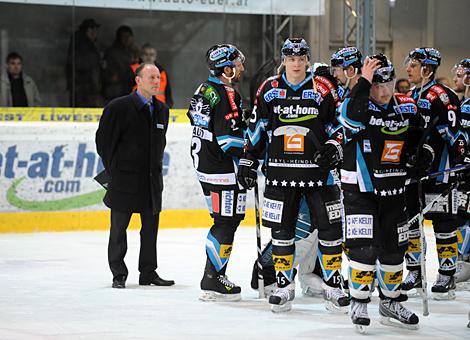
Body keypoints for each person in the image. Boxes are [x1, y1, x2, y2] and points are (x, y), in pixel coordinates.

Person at [239, 38, 348, 313]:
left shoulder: (323, 88)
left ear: (308, 60)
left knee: (331, 229)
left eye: (301, 58)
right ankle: (283, 286)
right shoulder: (269, 89)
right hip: (280, 174)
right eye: (291, 58)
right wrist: (248, 160)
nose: (296, 63)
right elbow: (257, 128)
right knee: (282, 232)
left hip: (319, 174)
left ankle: (334, 285)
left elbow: (340, 125)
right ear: (284, 60)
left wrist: (333, 147)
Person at [337, 54, 422, 332]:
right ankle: (359, 301)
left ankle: (390, 301)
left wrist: (423, 155)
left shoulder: (406, 107)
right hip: (361, 190)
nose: (384, 92)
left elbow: (421, 136)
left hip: (395, 190)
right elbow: (350, 117)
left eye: (389, 84)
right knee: (363, 247)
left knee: (394, 249)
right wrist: (363, 80)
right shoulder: (357, 105)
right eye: (377, 85)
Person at [95, 63, 173, 289]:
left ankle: (148, 272)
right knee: (118, 229)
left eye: (158, 77)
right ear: (138, 81)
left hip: (151, 181)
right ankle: (118, 274)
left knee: (150, 229)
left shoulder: (162, 110)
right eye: (151, 77)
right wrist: (114, 171)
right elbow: (104, 143)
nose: (156, 81)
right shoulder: (118, 108)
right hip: (124, 180)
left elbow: (160, 143)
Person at [402, 47, 469, 300]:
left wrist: (461, 161)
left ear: (427, 69)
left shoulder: (442, 96)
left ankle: (447, 273)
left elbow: (455, 133)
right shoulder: (410, 95)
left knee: (444, 225)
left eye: (413, 64)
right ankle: (415, 271)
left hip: (439, 173)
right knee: (411, 225)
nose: (408, 68)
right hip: (412, 173)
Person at [187, 44, 246, 302]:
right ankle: (212, 277)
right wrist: (248, 158)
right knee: (225, 222)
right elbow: (228, 140)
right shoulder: (225, 94)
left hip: (205, 166)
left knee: (224, 220)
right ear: (227, 69)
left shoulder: (203, 89)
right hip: (222, 169)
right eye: (237, 63)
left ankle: (213, 275)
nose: (242, 67)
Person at [451, 59, 470, 288]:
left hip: (466, 171)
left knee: (462, 216)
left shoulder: (466, 106)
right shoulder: (463, 103)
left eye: (459, 75)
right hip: (462, 169)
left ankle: (463, 262)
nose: (455, 78)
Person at [66, 18, 104, 107]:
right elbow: (78, 63)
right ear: (89, 31)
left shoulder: (85, 44)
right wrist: (97, 61)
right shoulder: (81, 45)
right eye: (94, 30)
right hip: (84, 90)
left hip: (86, 89)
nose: (96, 33)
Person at [103, 25, 136, 103]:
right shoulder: (112, 53)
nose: (126, 39)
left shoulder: (134, 52)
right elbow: (112, 75)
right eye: (124, 36)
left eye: (129, 36)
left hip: (129, 89)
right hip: (115, 91)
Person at [140, 44, 174, 108]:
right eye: (146, 54)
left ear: (155, 57)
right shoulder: (133, 70)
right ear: (141, 56)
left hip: (160, 109)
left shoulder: (162, 72)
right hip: (139, 109)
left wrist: (168, 106)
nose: (149, 57)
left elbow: (168, 93)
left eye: (151, 55)